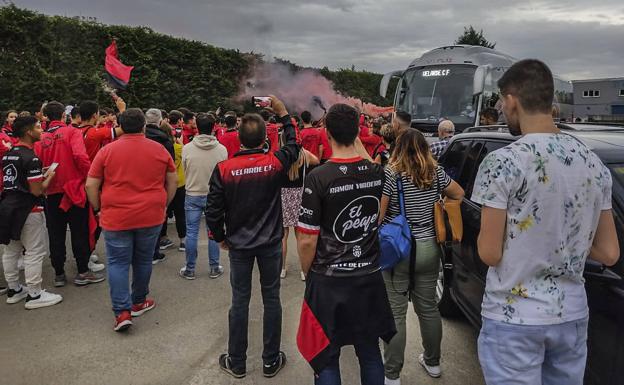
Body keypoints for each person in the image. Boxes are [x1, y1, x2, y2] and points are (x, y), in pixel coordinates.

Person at [471, 59, 620, 385]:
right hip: (571, 314)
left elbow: (490, 253)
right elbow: (609, 253)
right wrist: (565, 243)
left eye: (500, 102)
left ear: (511, 99)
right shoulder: (592, 163)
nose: (500, 109)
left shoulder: (502, 162)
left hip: (514, 317)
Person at [296, 103, 396, 385]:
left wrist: (309, 273)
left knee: (326, 355)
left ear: (325, 131)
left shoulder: (318, 178)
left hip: (329, 277)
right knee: (369, 351)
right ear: (357, 134)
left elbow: (306, 240)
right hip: (367, 274)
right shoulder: (377, 173)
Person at [206, 95, 299, 379]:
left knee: (239, 301)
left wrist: (220, 237)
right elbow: (294, 146)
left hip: (239, 244)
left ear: (239, 139)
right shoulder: (274, 162)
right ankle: (271, 360)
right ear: (264, 139)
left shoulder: (224, 169)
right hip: (271, 242)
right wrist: (283, 113)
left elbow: (213, 210)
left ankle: (237, 361)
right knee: (271, 298)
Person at [380, 129, 464, 384]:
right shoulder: (435, 173)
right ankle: (433, 362)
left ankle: (392, 374)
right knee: (427, 308)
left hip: (400, 250)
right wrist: (438, 206)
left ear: (399, 148)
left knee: (396, 313)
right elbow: (458, 194)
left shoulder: (391, 175)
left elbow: (380, 215)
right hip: (429, 247)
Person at [85, 108, 178, 332]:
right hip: (150, 214)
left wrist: (98, 208)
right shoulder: (159, 149)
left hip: (116, 215)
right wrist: (164, 204)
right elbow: (172, 181)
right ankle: (138, 301)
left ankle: (122, 312)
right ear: (144, 126)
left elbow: (91, 184)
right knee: (143, 260)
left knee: (117, 263)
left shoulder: (107, 151)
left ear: (120, 126)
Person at [34, 101, 106, 287]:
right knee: (79, 232)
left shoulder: (41, 138)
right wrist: (89, 176)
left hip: (51, 191)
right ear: (64, 116)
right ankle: (82, 271)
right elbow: (80, 156)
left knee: (56, 234)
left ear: (47, 117)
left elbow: (37, 165)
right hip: (74, 190)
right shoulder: (72, 132)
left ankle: (59, 273)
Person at [0, 116, 63, 309]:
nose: (41, 130)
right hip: (28, 209)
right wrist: (49, 177)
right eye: (37, 127)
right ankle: (34, 295)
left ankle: (14, 289)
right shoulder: (31, 157)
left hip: (8, 206)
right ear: (28, 131)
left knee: (11, 250)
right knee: (34, 251)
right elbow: (37, 190)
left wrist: (38, 174)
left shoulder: (9, 153)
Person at [180, 113, 227, 280]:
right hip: (214, 195)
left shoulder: (187, 148)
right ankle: (214, 267)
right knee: (213, 231)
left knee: (191, 232)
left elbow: (185, 169)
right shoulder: (221, 150)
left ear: (197, 127)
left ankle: (190, 268)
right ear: (214, 127)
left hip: (192, 192)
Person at [142, 109, 176, 263]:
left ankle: (142, 252)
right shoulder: (166, 141)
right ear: (161, 121)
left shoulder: (138, 137)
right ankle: (153, 252)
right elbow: (171, 167)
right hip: (158, 184)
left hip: (138, 181)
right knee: (155, 219)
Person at [280, 147, 319, 280]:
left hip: (284, 196)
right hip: (299, 196)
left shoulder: (281, 155)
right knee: (300, 236)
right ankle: (303, 270)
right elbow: (317, 160)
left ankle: (282, 268)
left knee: (283, 236)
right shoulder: (303, 154)